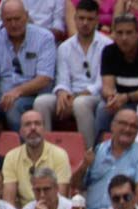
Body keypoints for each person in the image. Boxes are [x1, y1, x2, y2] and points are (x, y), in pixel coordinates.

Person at [34, 0, 111, 149]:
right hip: (71, 95)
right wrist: (62, 91)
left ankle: (88, 154)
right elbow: (62, 78)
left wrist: (78, 96)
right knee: (41, 101)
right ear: (74, 19)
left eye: (89, 19)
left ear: (97, 20)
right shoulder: (65, 47)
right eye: (81, 18)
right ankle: (46, 153)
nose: (85, 23)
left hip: (95, 96)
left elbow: (102, 83)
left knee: (80, 104)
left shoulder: (107, 45)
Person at [0, 0, 57, 132]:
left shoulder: (44, 38)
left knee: (13, 106)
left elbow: (45, 78)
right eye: (8, 20)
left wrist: (17, 92)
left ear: (26, 16)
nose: (13, 24)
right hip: (1, 94)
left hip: (32, 95)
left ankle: (25, 147)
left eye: (17, 19)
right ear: (1, 20)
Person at [96, 12, 138, 137]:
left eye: (129, 33)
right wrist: (112, 99)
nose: (124, 38)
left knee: (127, 112)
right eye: (119, 33)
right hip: (119, 99)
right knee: (103, 109)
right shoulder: (109, 51)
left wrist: (125, 98)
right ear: (114, 34)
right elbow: (107, 86)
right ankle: (98, 147)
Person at [2, 111, 71, 207]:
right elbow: (8, 203)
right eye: (27, 124)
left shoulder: (59, 155)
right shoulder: (11, 157)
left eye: (37, 123)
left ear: (44, 129)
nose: (33, 128)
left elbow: (59, 199)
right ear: (21, 132)